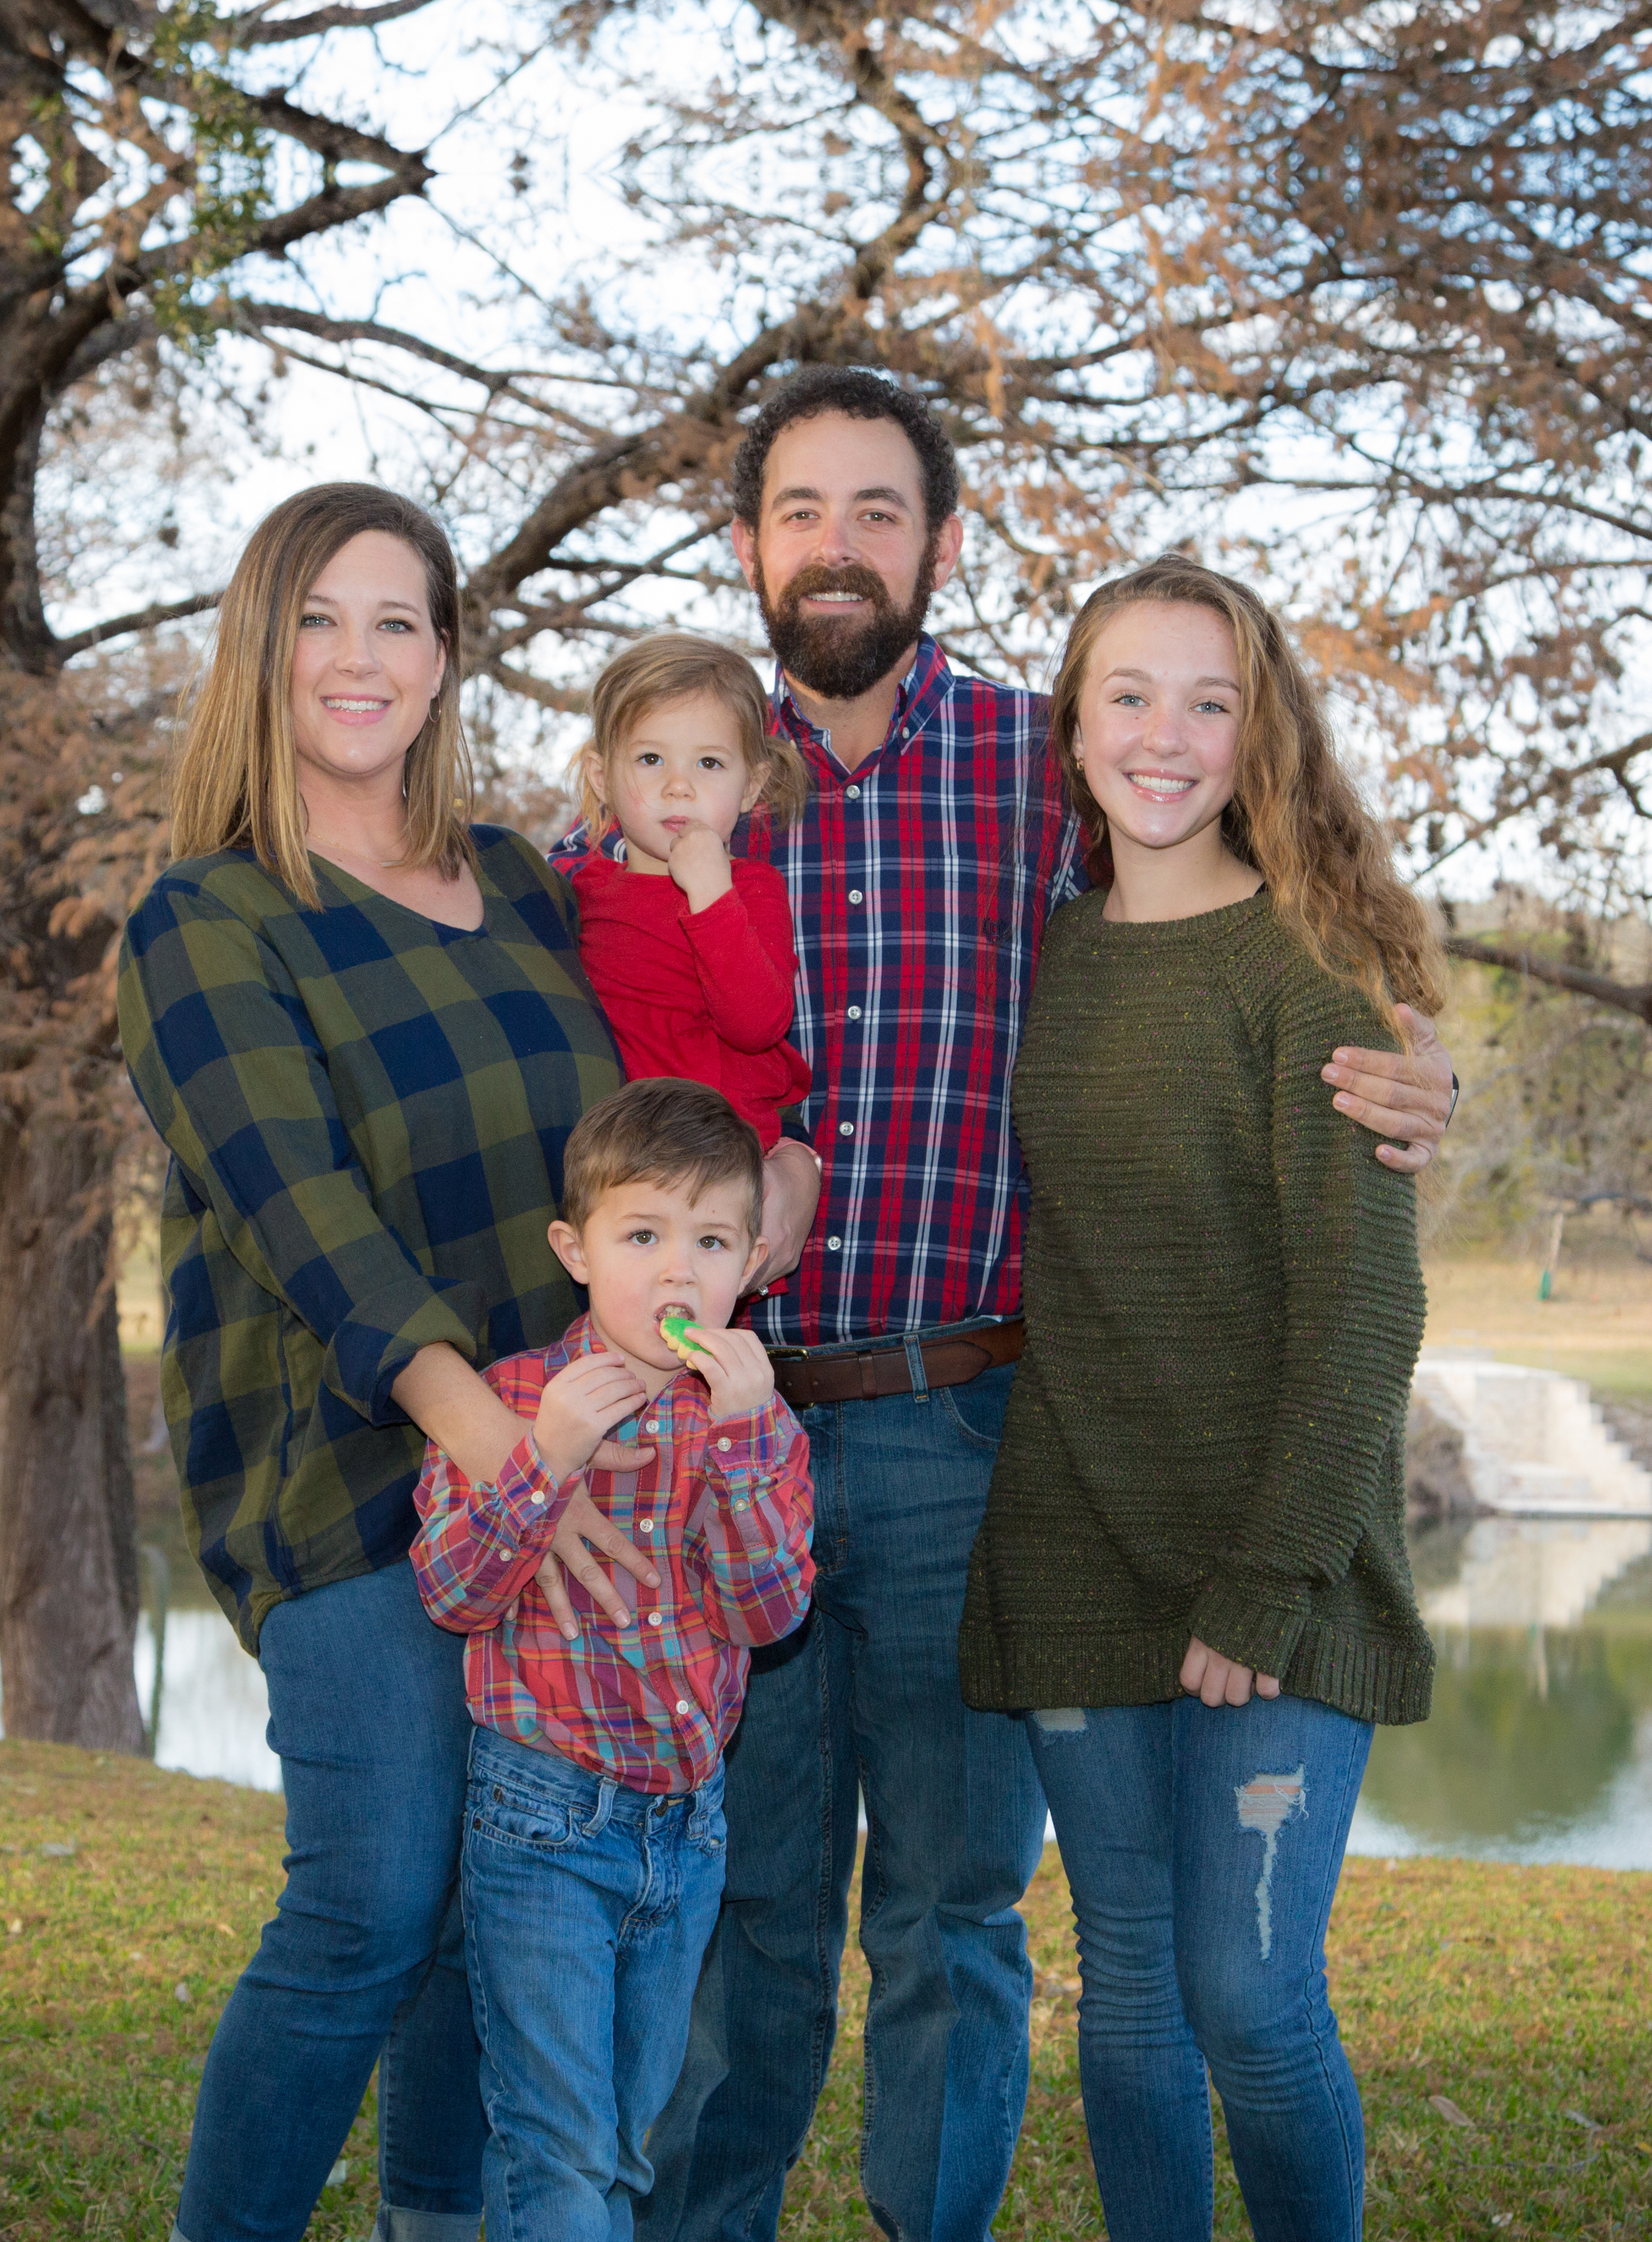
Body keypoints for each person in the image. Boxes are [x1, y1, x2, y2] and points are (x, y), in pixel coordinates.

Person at [562, 368, 1463, 2242]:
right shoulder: (670, 784)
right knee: (743, 1910)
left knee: (954, 1920)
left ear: (941, 542)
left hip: (973, 1433)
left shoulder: (1036, 767)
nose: (838, 547)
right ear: (748, 543)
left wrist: (1415, 1060)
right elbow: (527, 997)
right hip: (720, 1430)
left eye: (878, 511)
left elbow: (1233, 916)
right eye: (801, 511)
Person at [123, 483, 641, 2242]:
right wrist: (502, 1456)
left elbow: (670, 1075)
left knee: (496, 1903)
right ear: (260, 653)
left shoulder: (524, 883)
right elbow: (305, 1217)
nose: (357, 656)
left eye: (396, 620)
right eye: (317, 619)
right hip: (352, 1477)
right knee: (373, 1902)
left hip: (563, 1471)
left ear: (440, 659)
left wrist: (771, 1167)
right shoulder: (207, 918)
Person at [960, 558, 1439, 2241]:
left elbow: (1365, 1305)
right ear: (1072, 724)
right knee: (1132, 1992)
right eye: (1128, 696)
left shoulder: (1305, 978)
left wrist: (1266, 1574)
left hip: (1276, 1556)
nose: (1163, 737)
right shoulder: (1046, 955)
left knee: (1248, 1991)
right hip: (1077, 1537)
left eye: (1208, 701)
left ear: (1260, 736)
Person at [410, 1076, 818, 2242]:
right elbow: (452, 1593)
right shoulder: (511, 1398)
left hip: (687, 1831)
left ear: (752, 1263)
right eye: (643, 1236)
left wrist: (742, 1447)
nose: (677, 1273)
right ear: (575, 1250)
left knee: (626, 2143)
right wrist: (542, 1458)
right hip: (542, 1820)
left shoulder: (758, 1424)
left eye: (711, 1242)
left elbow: (768, 1616)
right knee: (561, 2145)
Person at [566, 634, 814, 1150]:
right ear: (602, 777)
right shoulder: (583, 893)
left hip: (719, 1154)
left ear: (751, 787)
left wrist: (711, 893)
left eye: (709, 764)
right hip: (614, 1157)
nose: (678, 786)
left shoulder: (751, 891)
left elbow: (758, 1026)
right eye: (651, 758)